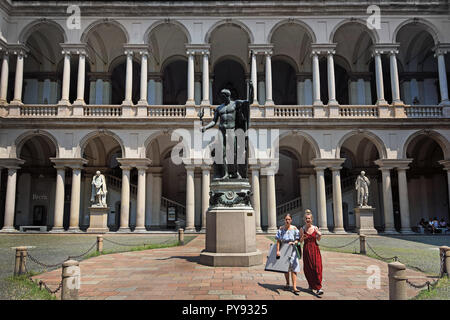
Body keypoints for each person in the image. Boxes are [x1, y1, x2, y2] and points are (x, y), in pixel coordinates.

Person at [275, 213, 301, 294]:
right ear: (284, 220)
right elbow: (278, 241)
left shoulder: (294, 228)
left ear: (291, 220)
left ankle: (294, 287)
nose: (287, 221)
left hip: (292, 250)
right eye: (286, 219)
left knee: (294, 268)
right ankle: (287, 283)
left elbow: (297, 239)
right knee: (285, 268)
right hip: (284, 249)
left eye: (289, 219)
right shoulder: (281, 229)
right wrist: (278, 250)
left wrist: (294, 242)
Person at [300, 209, 323, 295]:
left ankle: (318, 288)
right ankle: (311, 285)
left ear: (311, 219)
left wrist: (319, 234)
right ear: (304, 219)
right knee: (308, 269)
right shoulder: (302, 229)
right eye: (306, 218)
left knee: (317, 268)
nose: (308, 220)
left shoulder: (315, 228)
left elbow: (318, 239)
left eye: (309, 218)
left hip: (315, 249)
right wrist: (303, 238)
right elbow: (300, 241)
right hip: (306, 250)